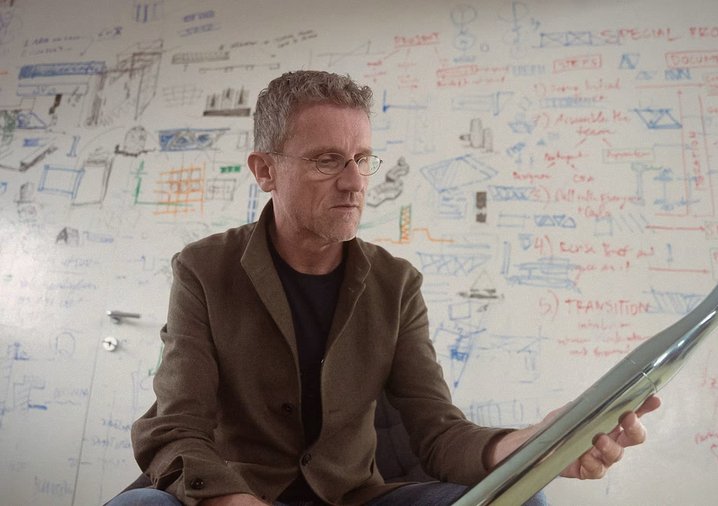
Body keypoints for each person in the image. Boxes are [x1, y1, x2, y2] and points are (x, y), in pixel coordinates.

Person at [110, 70, 660, 506]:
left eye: (362, 159)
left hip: (358, 498)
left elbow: (438, 433)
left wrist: (537, 445)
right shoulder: (204, 269)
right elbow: (176, 427)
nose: (354, 182)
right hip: (240, 491)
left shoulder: (396, 283)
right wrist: (231, 500)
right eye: (327, 160)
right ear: (265, 170)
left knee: (520, 496)